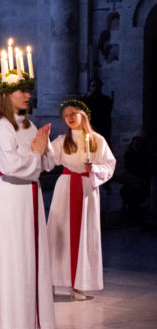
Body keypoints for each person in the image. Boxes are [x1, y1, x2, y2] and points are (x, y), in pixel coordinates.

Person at [0, 69, 56, 329]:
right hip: (10, 196)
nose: (27, 94)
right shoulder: (1, 127)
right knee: (10, 261)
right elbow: (10, 165)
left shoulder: (26, 123)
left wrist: (45, 146)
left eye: (28, 90)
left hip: (29, 196)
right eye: (21, 90)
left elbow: (47, 162)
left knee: (28, 262)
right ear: (5, 96)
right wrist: (36, 154)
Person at [47, 99, 116, 300]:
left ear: (83, 115)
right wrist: (41, 144)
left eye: (73, 114)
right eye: (66, 115)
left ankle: (79, 285)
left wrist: (93, 168)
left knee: (83, 234)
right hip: (66, 187)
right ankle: (51, 280)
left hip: (86, 190)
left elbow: (110, 165)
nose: (69, 118)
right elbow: (47, 158)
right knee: (59, 235)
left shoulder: (97, 140)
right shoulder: (62, 140)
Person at [81, 78, 113, 144]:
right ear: (90, 87)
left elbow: (105, 113)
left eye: (97, 86)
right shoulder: (85, 99)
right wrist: (86, 98)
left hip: (102, 128)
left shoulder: (105, 100)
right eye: (93, 86)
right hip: (88, 127)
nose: (95, 88)